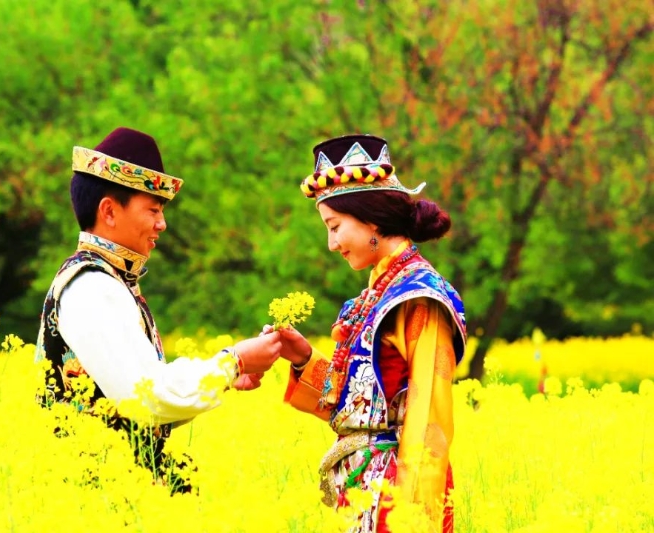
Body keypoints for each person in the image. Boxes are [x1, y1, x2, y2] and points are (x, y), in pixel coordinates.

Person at [34, 126, 282, 493]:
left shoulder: (109, 280)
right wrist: (232, 363)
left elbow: (139, 401)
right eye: (153, 210)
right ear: (109, 211)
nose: (162, 224)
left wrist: (228, 376)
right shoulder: (91, 286)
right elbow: (145, 398)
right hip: (99, 495)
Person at [272, 134, 467, 532]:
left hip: (396, 496)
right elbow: (354, 408)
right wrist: (302, 358)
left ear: (372, 219)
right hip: (361, 491)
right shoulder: (375, 295)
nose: (331, 244)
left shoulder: (417, 297)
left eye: (335, 227)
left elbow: (428, 425)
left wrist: (412, 521)